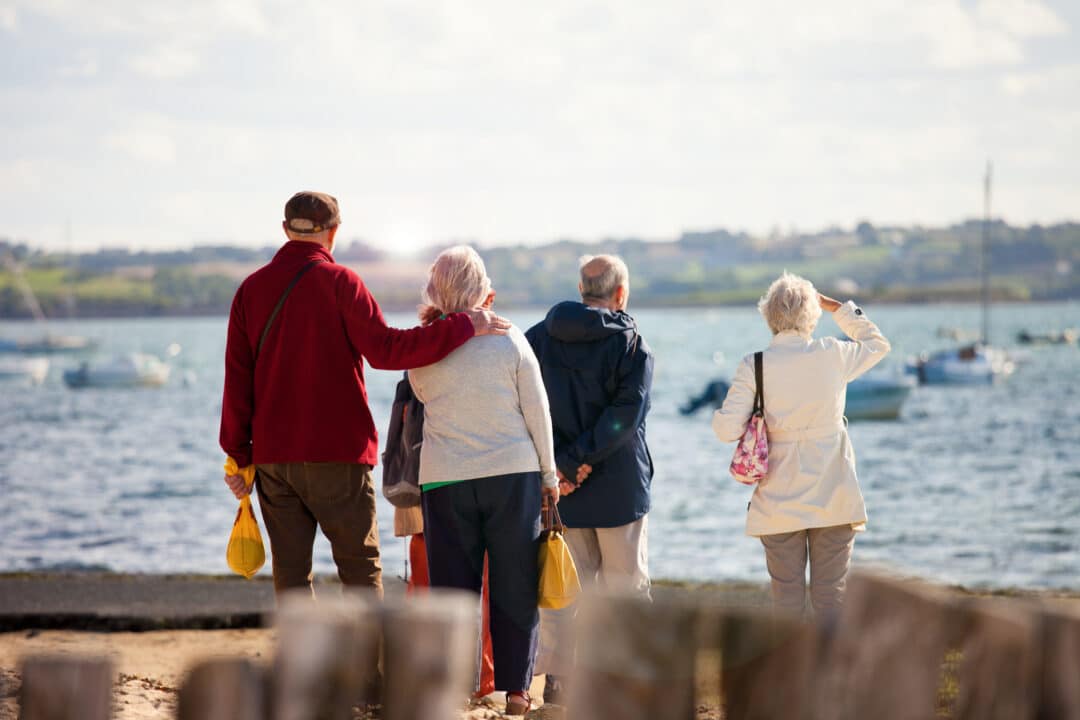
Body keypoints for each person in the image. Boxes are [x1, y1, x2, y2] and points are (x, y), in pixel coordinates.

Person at [220, 191, 509, 600]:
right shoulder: (342, 283)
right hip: (337, 454)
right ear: (333, 233)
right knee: (358, 568)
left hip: (273, 458)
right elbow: (388, 351)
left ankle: (304, 665)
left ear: (285, 230)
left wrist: (237, 454)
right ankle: (365, 667)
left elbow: (237, 381)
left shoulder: (250, 291)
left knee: (291, 576)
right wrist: (463, 326)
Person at [407, 245, 559, 716]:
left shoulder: (424, 346)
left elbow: (422, 393)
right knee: (515, 585)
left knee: (453, 591)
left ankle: (457, 686)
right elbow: (538, 411)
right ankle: (516, 691)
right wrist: (550, 476)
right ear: (482, 289)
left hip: (445, 479)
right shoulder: (510, 338)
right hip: (512, 475)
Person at [712, 272, 890, 618]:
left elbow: (725, 430)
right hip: (833, 494)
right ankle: (829, 670)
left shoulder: (755, 365)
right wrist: (839, 309)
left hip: (779, 499)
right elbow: (877, 345)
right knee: (831, 600)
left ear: (769, 316)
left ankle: (789, 671)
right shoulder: (833, 353)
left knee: (787, 604)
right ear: (813, 314)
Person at [526, 254, 655, 703]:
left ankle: (559, 681)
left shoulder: (537, 338)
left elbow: (525, 406)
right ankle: (623, 677)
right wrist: (579, 458)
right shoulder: (632, 344)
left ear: (582, 290)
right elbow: (625, 416)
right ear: (619, 293)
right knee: (625, 588)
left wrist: (560, 465)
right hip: (618, 489)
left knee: (565, 588)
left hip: (562, 489)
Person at [393, 504, 496, 699]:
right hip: (436, 497)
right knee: (477, 583)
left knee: (428, 583)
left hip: (429, 496)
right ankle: (482, 679)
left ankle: (423, 674)